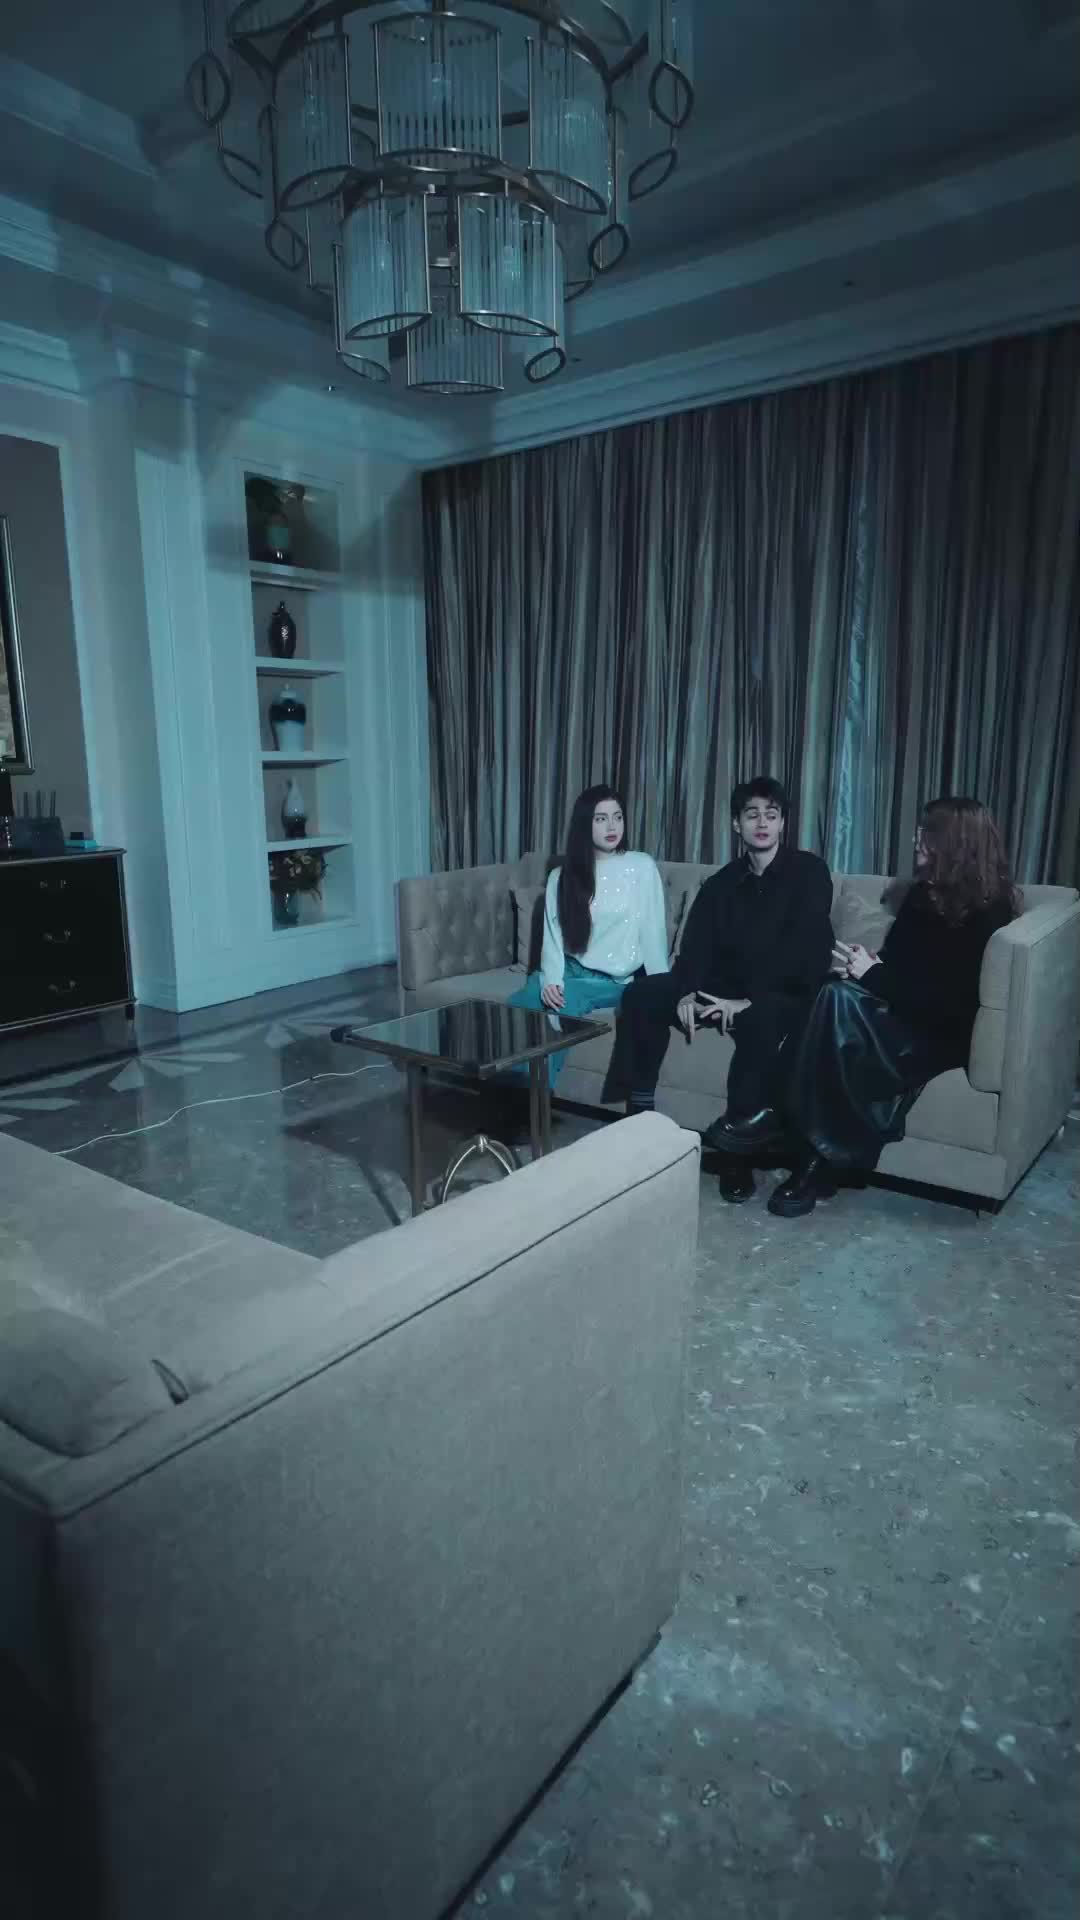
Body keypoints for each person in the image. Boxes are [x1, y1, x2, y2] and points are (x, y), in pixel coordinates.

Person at [732, 796, 1017, 1219]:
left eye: (927, 832)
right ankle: (810, 1159)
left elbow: (950, 1006)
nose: (916, 839)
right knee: (832, 991)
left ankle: (782, 1121)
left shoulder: (990, 911)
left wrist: (874, 976)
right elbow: (897, 964)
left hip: (936, 1037)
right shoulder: (923, 893)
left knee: (837, 1000)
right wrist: (867, 965)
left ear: (953, 841)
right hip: (898, 1014)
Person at [603, 776, 834, 1202]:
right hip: (721, 989)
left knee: (760, 1021)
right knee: (641, 994)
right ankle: (639, 1115)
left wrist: (748, 1001)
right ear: (736, 824)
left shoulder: (809, 872)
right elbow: (696, 949)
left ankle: (736, 1155)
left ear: (783, 823)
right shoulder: (721, 883)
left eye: (771, 815)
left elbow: (808, 952)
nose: (762, 823)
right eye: (752, 815)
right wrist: (687, 993)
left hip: (787, 992)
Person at [508, 783, 669, 1085]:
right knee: (521, 1004)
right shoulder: (562, 875)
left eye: (617, 817)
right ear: (585, 824)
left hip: (614, 981)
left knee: (562, 1007)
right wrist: (551, 979)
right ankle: (507, 1095)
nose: (612, 826)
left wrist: (663, 989)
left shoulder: (641, 866)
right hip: (569, 969)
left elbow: (653, 932)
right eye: (601, 819)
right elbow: (554, 934)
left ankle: (532, 1100)